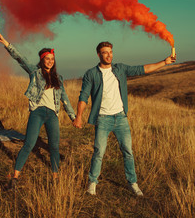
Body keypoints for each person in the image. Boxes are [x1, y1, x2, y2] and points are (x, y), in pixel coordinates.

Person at [73, 41, 176, 196]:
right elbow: (84, 96)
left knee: (128, 151)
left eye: (110, 52)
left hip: (121, 118)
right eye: (105, 52)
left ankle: (132, 183)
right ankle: (92, 183)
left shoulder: (120, 68)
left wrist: (165, 62)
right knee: (99, 152)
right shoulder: (91, 74)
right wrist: (79, 117)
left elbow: (143, 69)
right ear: (99, 54)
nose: (109, 55)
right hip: (103, 119)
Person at [0, 33, 76, 189]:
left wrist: (73, 117)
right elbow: (19, 58)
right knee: (29, 144)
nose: (50, 61)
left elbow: (64, 98)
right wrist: (5, 42)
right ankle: (15, 178)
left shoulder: (58, 78)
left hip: (52, 115)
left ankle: (55, 177)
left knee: (54, 146)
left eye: (52, 59)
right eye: (47, 59)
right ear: (42, 60)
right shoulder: (35, 72)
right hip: (38, 112)